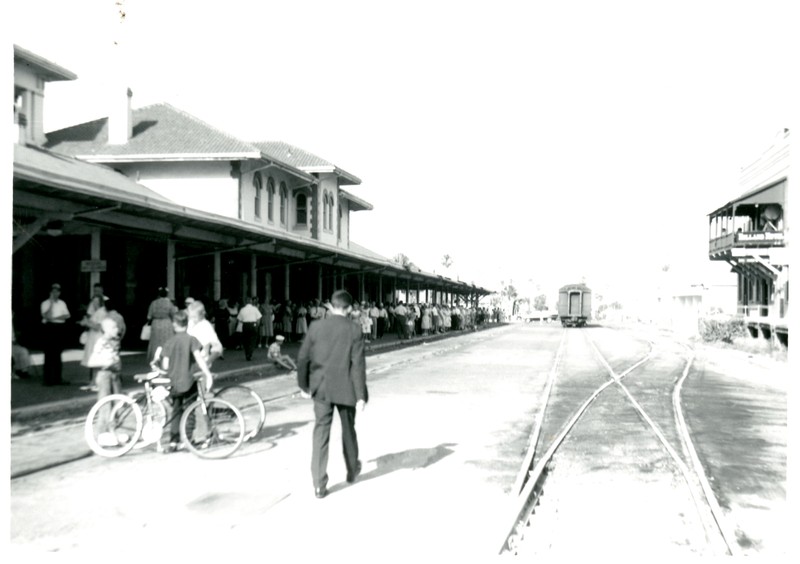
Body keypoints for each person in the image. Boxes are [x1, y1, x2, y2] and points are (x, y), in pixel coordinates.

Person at [297, 289, 368, 499]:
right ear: (348, 308)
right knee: (348, 429)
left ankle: (319, 484)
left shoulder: (316, 326)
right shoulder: (354, 330)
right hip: (346, 389)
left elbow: (303, 359)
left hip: (321, 388)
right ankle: (352, 469)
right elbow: (357, 366)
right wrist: (361, 395)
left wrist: (304, 386)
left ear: (332, 305)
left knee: (321, 433)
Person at [150, 309, 215, 453]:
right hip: (189, 381)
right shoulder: (191, 340)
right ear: (187, 323)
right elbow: (199, 358)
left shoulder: (170, 342)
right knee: (190, 411)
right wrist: (207, 374)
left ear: (174, 325)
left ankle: (173, 442)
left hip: (174, 383)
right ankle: (188, 439)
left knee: (176, 411)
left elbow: (165, 365)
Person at [88, 316, 124, 446]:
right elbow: (92, 361)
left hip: (114, 374)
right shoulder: (101, 342)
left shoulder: (115, 341)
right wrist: (106, 363)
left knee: (118, 403)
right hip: (104, 375)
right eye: (114, 327)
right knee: (105, 403)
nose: (117, 329)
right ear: (106, 330)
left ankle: (113, 430)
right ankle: (102, 433)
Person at [40, 283, 71, 386]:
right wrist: (51, 304)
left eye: (57, 291)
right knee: (49, 354)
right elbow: (47, 316)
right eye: (53, 291)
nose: (55, 293)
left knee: (58, 354)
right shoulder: (45, 303)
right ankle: (48, 379)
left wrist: (55, 318)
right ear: (50, 293)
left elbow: (67, 316)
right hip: (49, 328)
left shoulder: (62, 303)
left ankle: (58, 378)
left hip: (59, 329)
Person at [79, 294, 107, 391]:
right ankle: (93, 382)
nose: (94, 304)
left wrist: (87, 323)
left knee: (97, 360)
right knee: (94, 360)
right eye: (93, 302)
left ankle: (97, 383)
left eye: (96, 302)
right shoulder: (96, 312)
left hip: (98, 337)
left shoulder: (102, 312)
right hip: (93, 337)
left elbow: (98, 327)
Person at [187, 300, 223, 367]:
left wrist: (207, 362)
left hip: (201, 362)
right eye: (190, 316)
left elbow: (218, 347)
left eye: (194, 317)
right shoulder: (189, 323)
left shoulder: (206, 326)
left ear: (202, 314)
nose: (192, 319)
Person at [146, 287, 177, 362]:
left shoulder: (153, 303)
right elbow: (174, 315)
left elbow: (149, 316)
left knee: (155, 342)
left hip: (156, 324)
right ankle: (166, 357)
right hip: (167, 324)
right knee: (166, 341)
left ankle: (155, 358)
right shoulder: (169, 303)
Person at [237, 296, 263, 361]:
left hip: (245, 324)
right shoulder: (255, 309)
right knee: (253, 340)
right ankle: (250, 353)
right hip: (253, 324)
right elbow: (259, 318)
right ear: (251, 302)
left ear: (246, 302)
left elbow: (239, 319)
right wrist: (257, 325)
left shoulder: (242, 309)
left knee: (246, 340)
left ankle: (247, 353)